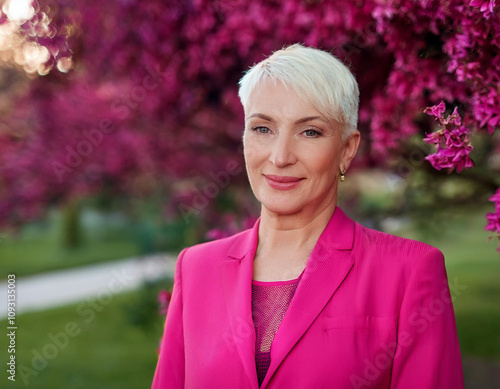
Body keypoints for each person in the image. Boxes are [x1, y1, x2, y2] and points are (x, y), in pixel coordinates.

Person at [152, 44, 464, 389]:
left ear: (347, 149)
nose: (280, 156)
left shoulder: (410, 271)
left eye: (310, 132)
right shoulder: (196, 269)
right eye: (262, 128)